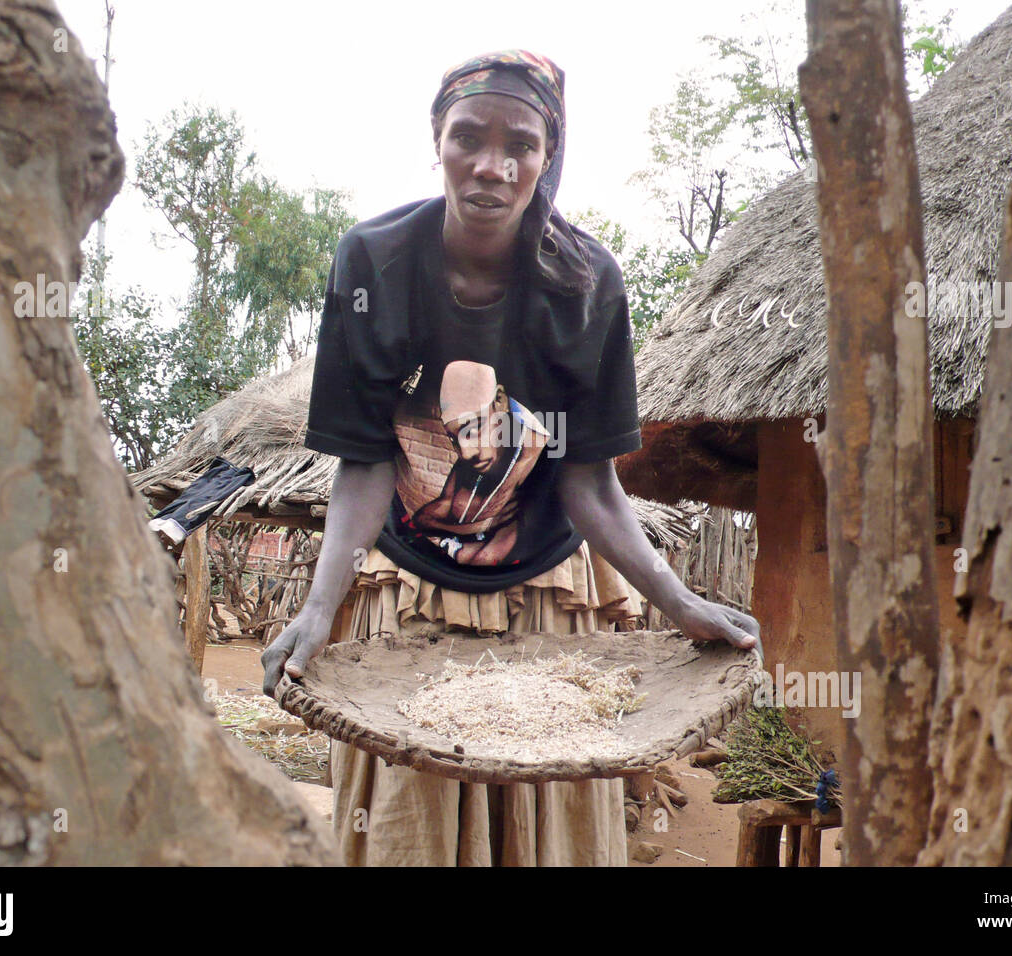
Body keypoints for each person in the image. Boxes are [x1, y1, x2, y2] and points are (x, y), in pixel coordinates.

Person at [261, 49, 760, 866]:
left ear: (547, 157)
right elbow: (364, 464)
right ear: (436, 138)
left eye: (521, 145)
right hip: (408, 594)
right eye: (469, 137)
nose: (492, 166)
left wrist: (678, 603)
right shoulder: (374, 263)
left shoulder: (588, 283)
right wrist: (320, 609)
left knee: (545, 830)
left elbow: (591, 485)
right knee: (411, 831)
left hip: (547, 596)